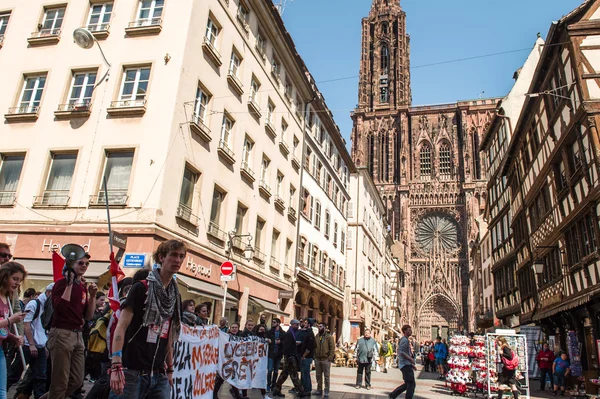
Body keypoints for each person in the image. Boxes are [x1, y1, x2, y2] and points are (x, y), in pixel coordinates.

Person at [109, 239, 184, 398]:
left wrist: (169, 369)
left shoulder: (174, 296)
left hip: (159, 374)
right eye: (174, 255)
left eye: (181, 256)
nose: (178, 260)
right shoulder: (141, 288)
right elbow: (121, 326)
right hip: (133, 371)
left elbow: (168, 334)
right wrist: (116, 365)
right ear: (162, 257)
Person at [42, 252, 98, 399]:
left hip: (78, 334)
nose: (84, 266)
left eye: (86, 263)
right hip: (62, 333)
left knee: (76, 380)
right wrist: (69, 284)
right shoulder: (61, 283)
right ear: (71, 264)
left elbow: (89, 316)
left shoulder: (83, 287)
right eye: (81, 263)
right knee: (60, 382)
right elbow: (60, 308)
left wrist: (92, 296)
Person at [0, 262, 27, 398]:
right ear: (5, 276)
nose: (17, 283)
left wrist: (12, 336)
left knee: (2, 390)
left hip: (0, 348)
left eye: (19, 281)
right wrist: (11, 320)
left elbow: (2, 328)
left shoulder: (7, 298)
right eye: (15, 279)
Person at [271, 319, 308, 398]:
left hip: (290, 356)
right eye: (296, 325)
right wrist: (289, 356)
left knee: (284, 374)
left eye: (298, 325)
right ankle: (301, 391)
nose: (297, 326)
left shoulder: (292, 333)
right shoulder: (289, 334)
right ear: (292, 325)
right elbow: (286, 346)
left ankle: (276, 389)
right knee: (294, 375)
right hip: (290, 356)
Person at [389, 325, 417, 399]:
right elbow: (401, 352)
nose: (411, 331)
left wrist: (411, 364)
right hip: (405, 365)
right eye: (409, 330)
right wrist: (410, 359)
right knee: (411, 384)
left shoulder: (405, 339)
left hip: (406, 364)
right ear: (405, 331)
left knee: (408, 383)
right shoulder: (404, 340)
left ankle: (392, 395)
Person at [313, 321, 335, 397]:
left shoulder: (329, 337)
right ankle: (319, 389)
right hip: (318, 359)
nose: (319, 328)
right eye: (318, 326)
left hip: (326, 359)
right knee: (318, 375)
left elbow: (332, 348)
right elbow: (314, 346)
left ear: (324, 327)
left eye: (320, 326)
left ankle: (326, 390)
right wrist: (314, 356)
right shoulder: (317, 336)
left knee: (326, 376)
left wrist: (330, 358)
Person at [266, 318, 284, 392]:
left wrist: (281, 342)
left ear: (278, 323)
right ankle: (268, 385)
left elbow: (285, 342)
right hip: (271, 354)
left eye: (274, 322)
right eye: (272, 322)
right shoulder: (269, 332)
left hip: (278, 354)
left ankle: (273, 385)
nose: (272, 323)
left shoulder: (282, 333)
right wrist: (268, 340)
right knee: (270, 370)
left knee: (276, 371)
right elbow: (265, 338)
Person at [298, 318, 315, 394]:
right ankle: (305, 389)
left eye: (305, 323)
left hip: (307, 357)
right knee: (303, 373)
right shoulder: (307, 333)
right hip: (304, 356)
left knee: (305, 373)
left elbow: (310, 347)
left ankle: (307, 390)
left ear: (309, 324)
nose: (304, 324)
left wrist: (304, 355)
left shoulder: (310, 333)